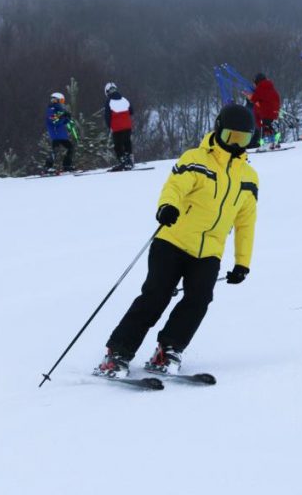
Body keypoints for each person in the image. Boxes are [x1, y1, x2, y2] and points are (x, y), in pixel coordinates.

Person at [95, 103, 260, 378]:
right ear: (219, 131)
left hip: (209, 251)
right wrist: (167, 207)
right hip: (172, 241)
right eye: (231, 136)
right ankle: (118, 352)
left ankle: (168, 349)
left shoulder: (249, 178)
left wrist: (242, 262)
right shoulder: (196, 159)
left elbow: (246, 222)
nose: (236, 144)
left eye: (243, 139)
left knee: (199, 299)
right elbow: (175, 186)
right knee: (155, 297)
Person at [103, 82, 135, 171]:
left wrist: (110, 127)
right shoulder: (124, 99)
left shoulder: (109, 101)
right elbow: (131, 111)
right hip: (127, 126)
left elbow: (107, 116)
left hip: (117, 128)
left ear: (107, 92)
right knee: (127, 142)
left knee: (118, 145)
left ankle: (123, 161)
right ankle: (129, 160)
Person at [246, 73, 282, 150]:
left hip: (266, 112)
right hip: (274, 112)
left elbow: (254, 99)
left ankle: (264, 145)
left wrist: (249, 96)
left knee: (264, 129)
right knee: (270, 128)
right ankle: (275, 142)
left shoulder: (261, 88)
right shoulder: (270, 87)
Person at [44, 92, 75, 173]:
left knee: (70, 147)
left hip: (61, 134)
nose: (62, 103)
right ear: (56, 100)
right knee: (55, 150)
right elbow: (54, 121)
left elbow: (63, 121)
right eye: (61, 101)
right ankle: (47, 167)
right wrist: (62, 116)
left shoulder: (59, 110)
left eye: (63, 101)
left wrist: (67, 117)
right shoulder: (51, 109)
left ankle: (67, 165)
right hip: (55, 133)